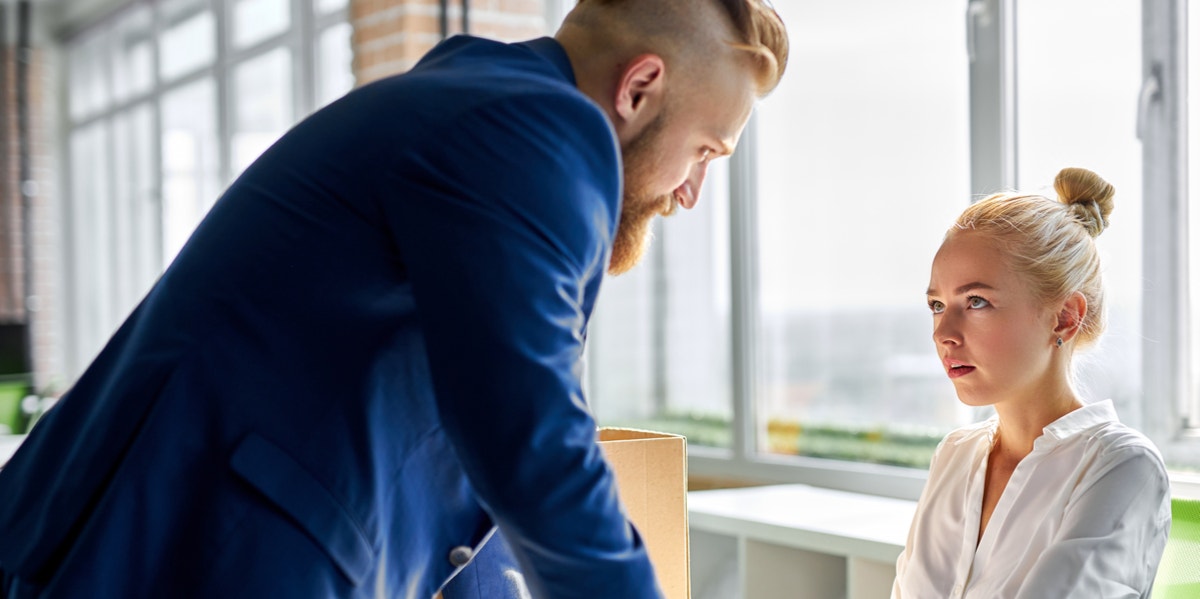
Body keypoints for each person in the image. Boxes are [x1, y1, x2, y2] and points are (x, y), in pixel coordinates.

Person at [0, 1, 789, 597]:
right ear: (641, 86)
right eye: (706, 151)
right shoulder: (540, 129)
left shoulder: (476, 101)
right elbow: (530, 439)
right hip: (198, 549)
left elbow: (475, 441)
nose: (691, 191)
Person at [893, 167, 1171, 598]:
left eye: (976, 301)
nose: (943, 332)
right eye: (936, 304)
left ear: (1064, 317)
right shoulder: (954, 455)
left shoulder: (1121, 466)